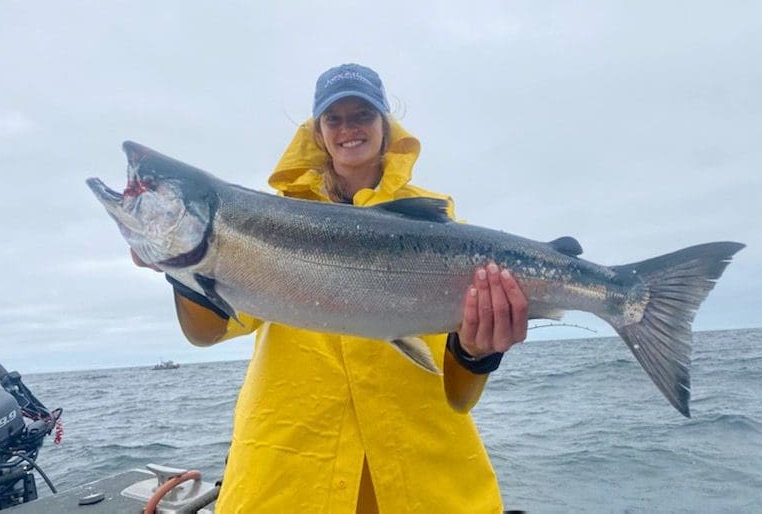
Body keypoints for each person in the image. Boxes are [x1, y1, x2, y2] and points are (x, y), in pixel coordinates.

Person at [132, 63, 528, 513]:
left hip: (426, 483)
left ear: (385, 124)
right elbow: (206, 333)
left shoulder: (444, 232)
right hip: (288, 482)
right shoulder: (267, 226)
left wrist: (478, 351)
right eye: (334, 119)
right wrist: (181, 269)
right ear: (318, 132)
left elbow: (458, 397)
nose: (348, 129)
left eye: (362, 114)